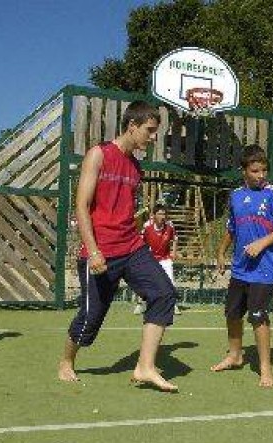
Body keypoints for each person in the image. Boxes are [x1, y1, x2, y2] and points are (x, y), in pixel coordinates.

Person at [58, 100, 178, 392]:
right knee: (90, 319)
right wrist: (94, 251)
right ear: (132, 125)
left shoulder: (135, 166)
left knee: (164, 294)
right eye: (149, 130)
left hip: (132, 248)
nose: (153, 137)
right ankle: (66, 361)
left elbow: (122, 209)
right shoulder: (98, 155)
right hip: (99, 253)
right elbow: (82, 207)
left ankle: (144, 367)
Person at [210, 145, 273, 388]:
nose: (261, 175)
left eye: (264, 170)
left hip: (265, 268)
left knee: (258, 315)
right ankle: (235, 355)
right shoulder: (236, 195)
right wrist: (220, 251)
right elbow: (231, 227)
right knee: (232, 313)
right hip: (240, 267)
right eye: (255, 171)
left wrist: (262, 243)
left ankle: (265, 369)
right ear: (244, 171)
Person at [134, 204, 181, 315]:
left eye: (164, 214)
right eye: (159, 214)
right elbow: (141, 241)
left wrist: (173, 251)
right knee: (145, 282)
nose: (162, 216)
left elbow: (174, 239)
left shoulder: (170, 226)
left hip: (165, 258)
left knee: (170, 281)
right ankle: (141, 304)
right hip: (150, 258)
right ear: (154, 215)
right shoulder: (147, 226)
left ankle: (172, 304)